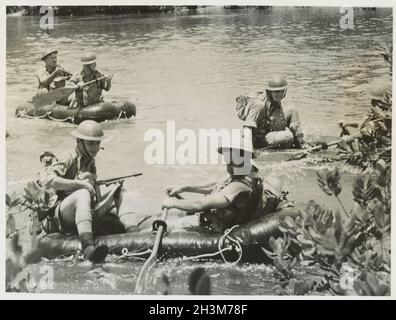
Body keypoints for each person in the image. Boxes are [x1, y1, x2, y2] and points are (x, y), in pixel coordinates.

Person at [37, 120, 139, 262]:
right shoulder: (69, 157)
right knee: (83, 193)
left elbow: (93, 196)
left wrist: (107, 188)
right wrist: (78, 184)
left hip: (81, 211)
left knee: (120, 190)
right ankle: (88, 248)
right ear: (79, 142)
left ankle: (135, 236)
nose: (95, 148)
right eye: (91, 143)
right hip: (58, 217)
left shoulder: (90, 161)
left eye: (97, 143)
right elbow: (46, 180)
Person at [160, 143, 267, 234]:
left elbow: (200, 204)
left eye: (231, 164)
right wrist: (183, 188)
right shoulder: (246, 173)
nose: (228, 169)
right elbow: (213, 186)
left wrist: (173, 203)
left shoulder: (238, 186)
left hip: (211, 226)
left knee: (153, 229)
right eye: (227, 164)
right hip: (208, 218)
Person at [236, 75, 306, 150]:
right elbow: (247, 128)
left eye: (281, 91)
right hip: (256, 138)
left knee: (292, 110)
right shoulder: (258, 104)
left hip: (268, 128)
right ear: (269, 91)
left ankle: (300, 143)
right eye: (276, 91)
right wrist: (248, 150)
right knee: (288, 136)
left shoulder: (275, 101)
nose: (279, 94)